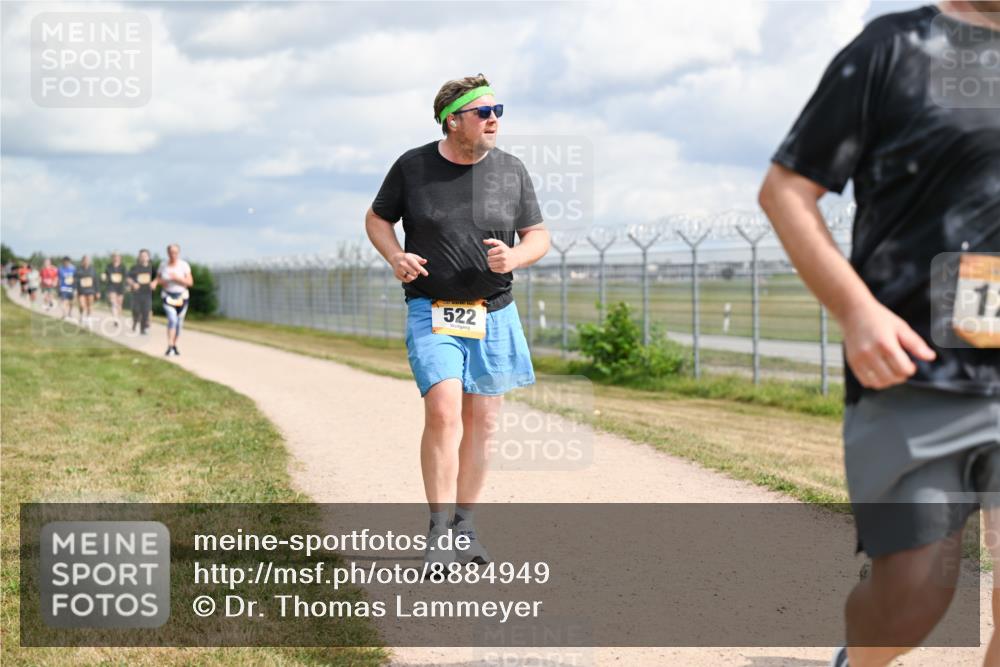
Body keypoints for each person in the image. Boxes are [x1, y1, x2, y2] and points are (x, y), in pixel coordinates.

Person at [758, 3, 1000, 666]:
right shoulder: (893, 48)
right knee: (914, 595)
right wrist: (857, 311)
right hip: (917, 366)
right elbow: (785, 191)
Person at [365, 74, 550, 569]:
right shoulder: (413, 167)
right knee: (444, 411)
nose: (494, 120)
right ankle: (438, 530)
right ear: (453, 120)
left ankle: (465, 527)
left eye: (497, 111)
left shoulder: (511, 170)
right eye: (483, 112)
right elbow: (377, 219)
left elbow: (538, 235)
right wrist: (395, 256)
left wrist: (516, 256)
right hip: (432, 308)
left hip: (494, 311)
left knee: (483, 423)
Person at [152, 243, 193, 356]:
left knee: (179, 323)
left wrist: (177, 278)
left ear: (178, 253)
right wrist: (155, 283)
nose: (172, 254)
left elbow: (190, 282)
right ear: (167, 253)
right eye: (170, 252)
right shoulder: (163, 265)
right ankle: (170, 345)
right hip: (167, 296)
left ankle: (174, 345)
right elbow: (158, 278)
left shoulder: (184, 265)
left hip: (182, 296)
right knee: (172, 319)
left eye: (175, 252)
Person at [127, 249, 154, 335]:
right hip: (137, 294)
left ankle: (144, 328)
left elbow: (158, 277)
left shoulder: (152, 268)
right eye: (141, 256)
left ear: (148, 257)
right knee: (136, 311)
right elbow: (128, 278)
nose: (143, 258)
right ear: (139, 257)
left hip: (147, 294)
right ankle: (135, 322)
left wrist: (154, 283)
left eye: (145, 256)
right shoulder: (134, 268)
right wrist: (133, 283)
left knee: (146, 311)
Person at [102, 252, 127, 327]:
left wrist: (127, 285)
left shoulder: (123, 267)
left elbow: (126, 276)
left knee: (119, 304)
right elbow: (105, 275)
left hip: (120, 286)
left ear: (120, 258)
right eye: (114, 257)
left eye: (117, 257)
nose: (116, 258)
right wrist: (104, 277)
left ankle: (118, 317)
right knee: (113, 302)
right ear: (112, 258)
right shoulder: (109, 266)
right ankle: (115, 318)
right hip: (111, 286)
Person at [74, 255, 99, 324]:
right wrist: (75, 289)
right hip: (81, 290)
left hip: (91, 290)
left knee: (90, 305)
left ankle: (89, 317)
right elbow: (75, 280)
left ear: (89, 261)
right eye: (85, 260)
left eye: (87, 260)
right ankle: (81, 314)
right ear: (82, 261)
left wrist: (97, 291)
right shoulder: (78, 269)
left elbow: (96, 280)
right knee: (82, 305)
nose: (86, 262)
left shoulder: (93, 269)